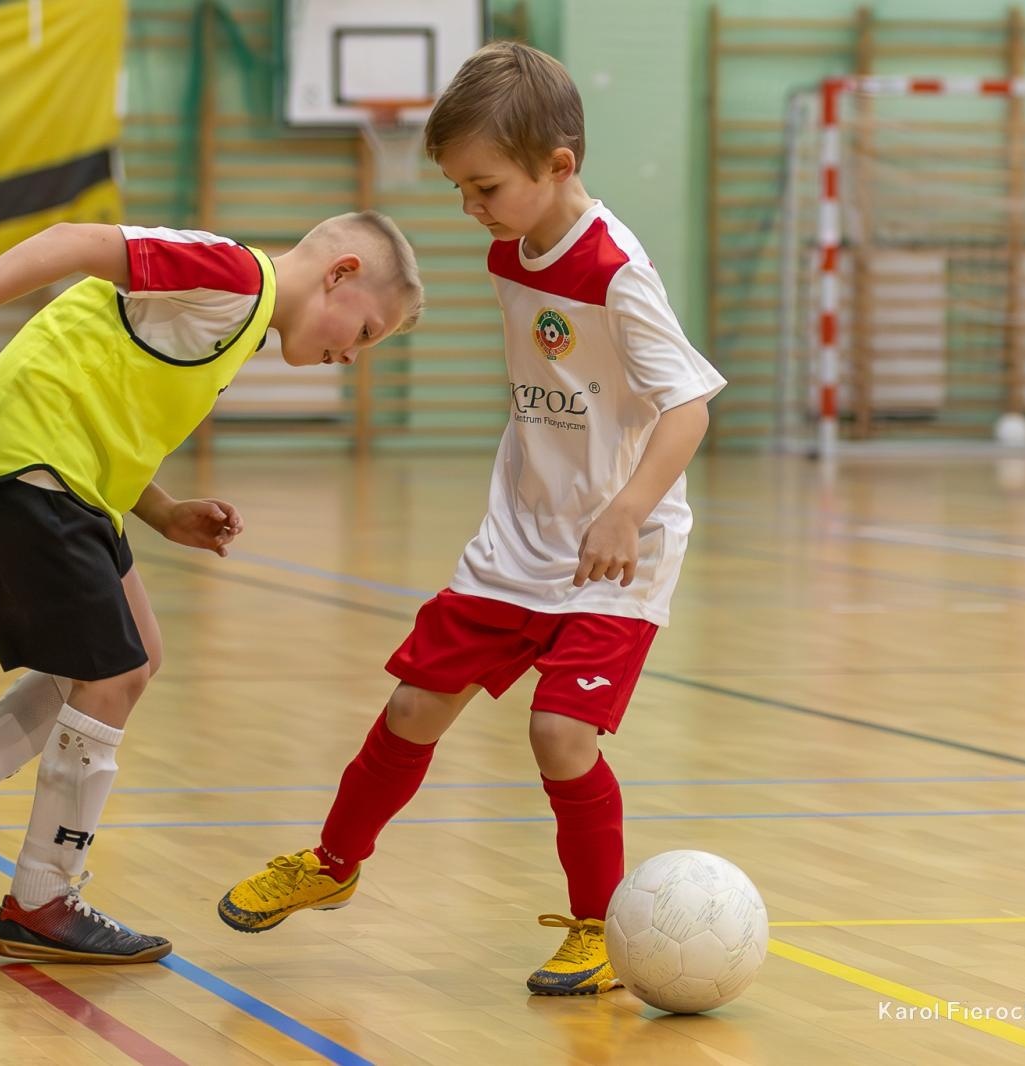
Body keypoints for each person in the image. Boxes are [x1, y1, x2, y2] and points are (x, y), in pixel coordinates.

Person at [218, 42, 726, 996]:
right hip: (519, 537)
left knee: (560, 737)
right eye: (459, 188)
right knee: (413, 708)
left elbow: (689, 404)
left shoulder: (617, 271)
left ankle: (597, 927)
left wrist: (624, 509)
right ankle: (332, 864)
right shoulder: (512, 245)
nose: (470, 209)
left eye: (483, 186)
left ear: (559, 167)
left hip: (622, 545)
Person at [0, 213, 423, 963]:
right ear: (341, 273)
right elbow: (72, 241)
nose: (354, 356)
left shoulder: (240, 319)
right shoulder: (233, 276)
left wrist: (161, 511)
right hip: (28, 459)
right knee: (112, 674)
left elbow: (107, 396)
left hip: (68, 474)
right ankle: (41, 897)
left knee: (140, 654)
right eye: (365, 332)